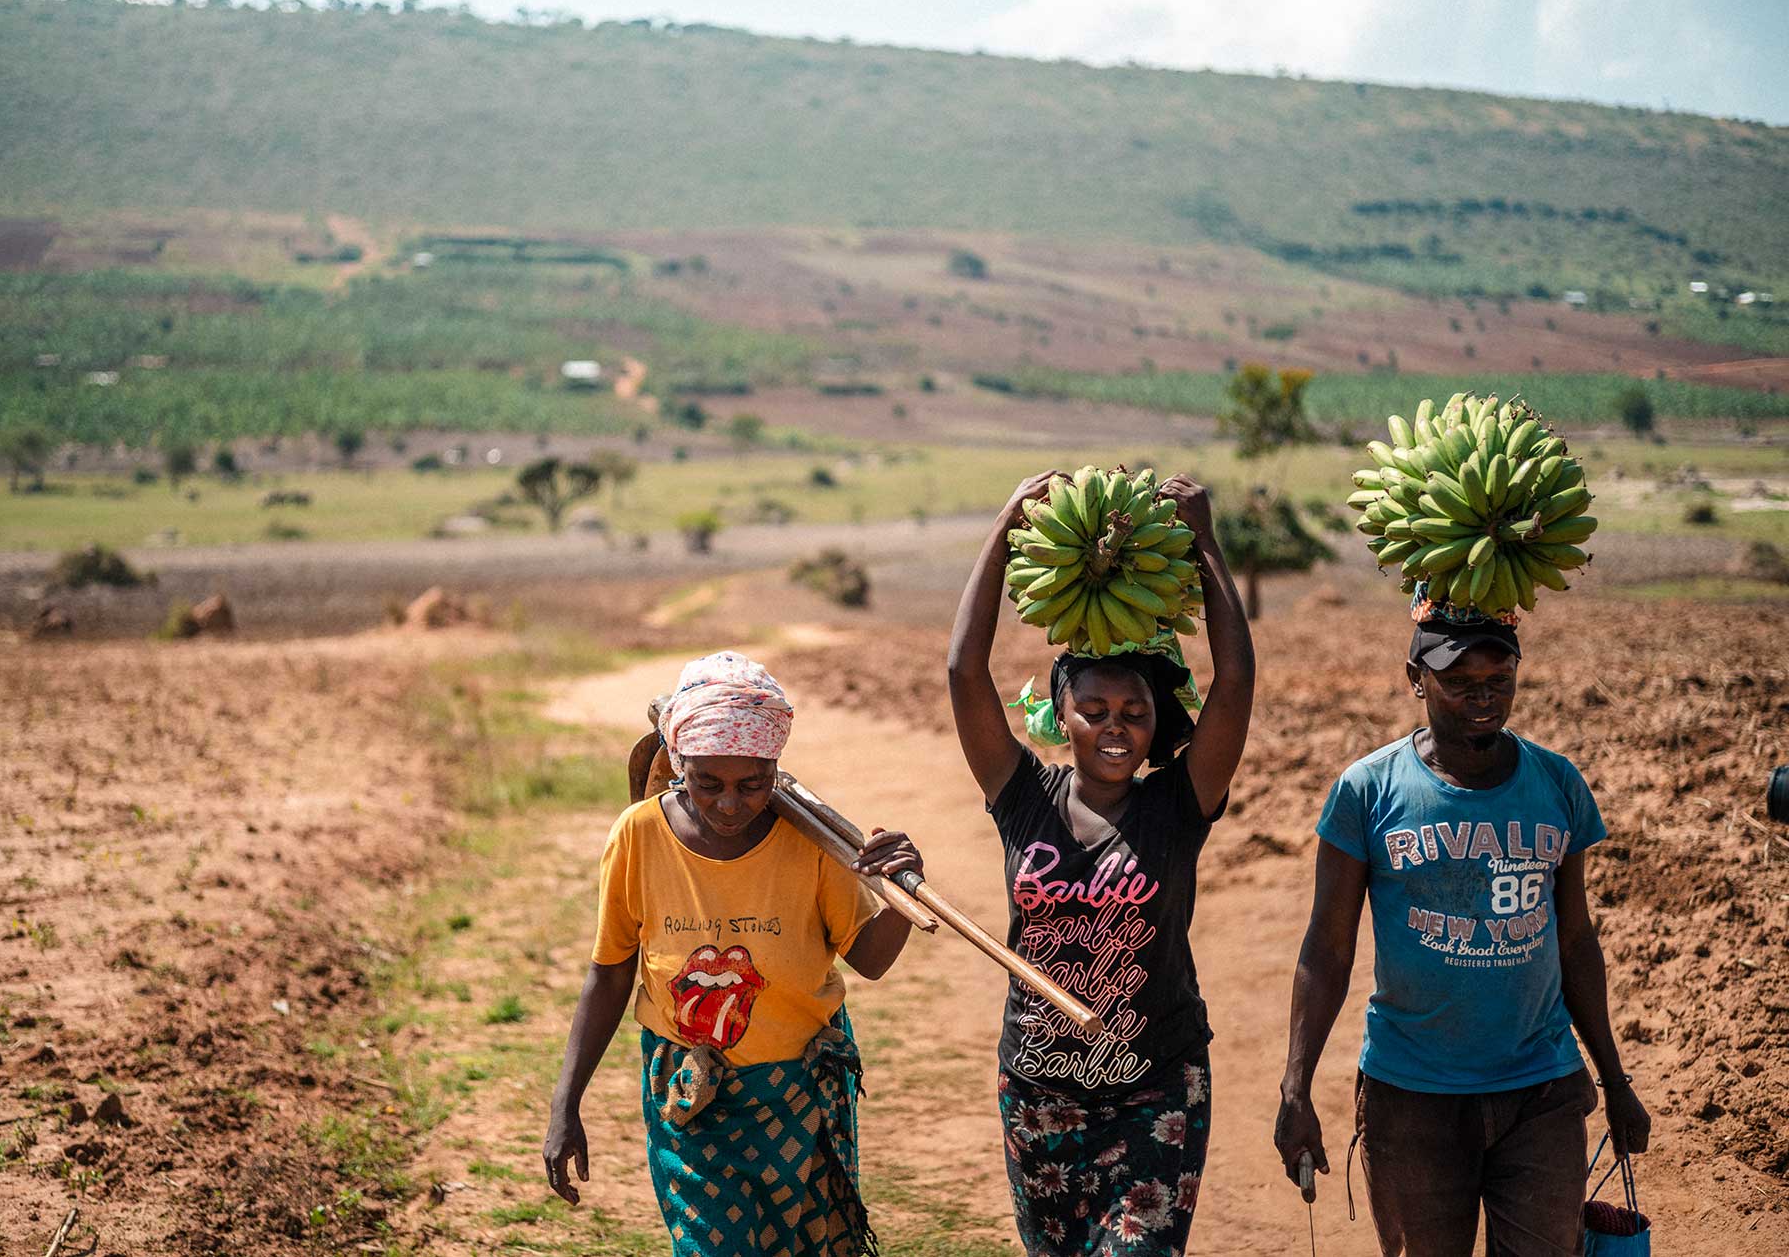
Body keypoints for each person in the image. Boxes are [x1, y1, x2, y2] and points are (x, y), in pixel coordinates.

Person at [1273, 606, 1653, 1256]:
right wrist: (1295, 1086)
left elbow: (1576, 940)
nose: (1483, 697)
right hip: (1412, 1094)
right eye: (1459, 680)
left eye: (1499, 678)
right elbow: (1328, 949)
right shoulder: (1366, 792)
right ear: (1415, 678)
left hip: (1540, 1085)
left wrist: (1615, 1080)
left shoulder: (1557, 784)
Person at [948, 471, 1255, 1255]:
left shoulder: (1176, 806)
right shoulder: (1023, 795)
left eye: (1134, 712)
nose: (1114, 728)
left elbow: (1237, 683)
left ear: (1158, 723)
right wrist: (1005, 521)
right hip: (1038, 1092)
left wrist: (1209, 543)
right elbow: (962, 673)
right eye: (1095, 710)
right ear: (1064, 714)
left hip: (1156, 1090)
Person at [543, 650, 923, 1257]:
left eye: (752, 784)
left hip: (800, 1088)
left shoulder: (813, 842)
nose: (728, 803)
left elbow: (871, 960)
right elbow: (609, 972)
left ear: (775, 769)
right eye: (707, 783)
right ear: (678, 764)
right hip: (689, 1094)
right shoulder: (639, 835)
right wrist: (566, 1104)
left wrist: (903, 891)